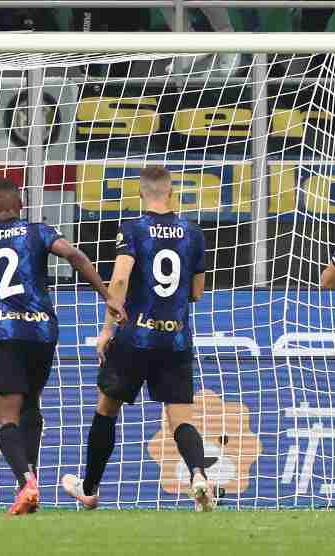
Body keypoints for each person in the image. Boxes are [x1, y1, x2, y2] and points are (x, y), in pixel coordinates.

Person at [0, 178, 127, 515]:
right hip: (42, 333)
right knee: (30, 407)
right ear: (21, 206)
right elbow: (75, 256)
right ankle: (30, 482)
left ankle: (26, 482)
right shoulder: (38, 232)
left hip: (6, 332)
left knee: (6, 416)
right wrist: (107, 296)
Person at [60, 166, 214, 512]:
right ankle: (199, 475)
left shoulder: (133, 229)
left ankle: (89, 488)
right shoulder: (193, 233)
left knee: (107, 408)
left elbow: (119, 281)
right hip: (175, 339)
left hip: (135, 338)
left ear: (142, 194)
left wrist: (106, 330)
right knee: (181, 419)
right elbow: (197, 292)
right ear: (171, 192)